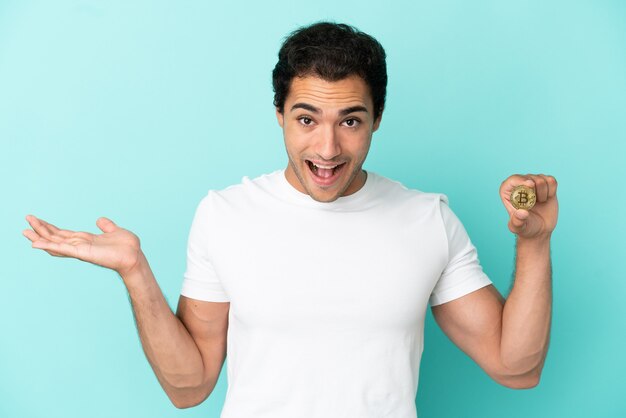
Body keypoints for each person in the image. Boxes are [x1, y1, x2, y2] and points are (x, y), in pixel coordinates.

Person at [23, 22, 558, 418]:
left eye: (351, 120)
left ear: (377, 119)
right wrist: (135, 273)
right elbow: (188, 388)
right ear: (279, 113)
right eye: (307, 119)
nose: (327, 148)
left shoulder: (427, 219)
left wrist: (534, 243)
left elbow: (518, 369)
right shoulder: (225, 215)